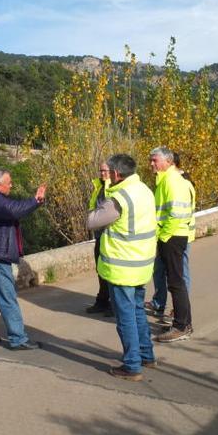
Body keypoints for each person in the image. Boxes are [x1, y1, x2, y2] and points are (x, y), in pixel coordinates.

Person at [87, 154, 157, 381]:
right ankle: (146, 355)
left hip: (122, 267)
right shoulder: (144, 189)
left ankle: (131, 365)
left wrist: (104, 189)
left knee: (126, 317)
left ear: (116, 174)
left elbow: (92, 221)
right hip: (142, 264)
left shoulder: (119, 198)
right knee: (137, 312)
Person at [0, 168, 46, 350]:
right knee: (7, 297)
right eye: (9, 183)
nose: (11, 185)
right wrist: (35, 200)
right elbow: (14, 210)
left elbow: (13, 208)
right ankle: (18, 338)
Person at [148, 147, 194, 343]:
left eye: (155, 160)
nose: (151, 164)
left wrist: (164, 237)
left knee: (176, 283)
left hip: (173, 237)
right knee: (176, 282)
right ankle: (183, 322)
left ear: (168, 161)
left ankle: (181, 326)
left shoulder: (172, 181)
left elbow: (177, 213)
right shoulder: (166, 180)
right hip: (172, 236)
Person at [84, 161, 113, 317]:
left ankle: (112, 305)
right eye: (101, 170)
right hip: (99, 234)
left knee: (109, 271)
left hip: (109, 235)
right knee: (100, 270)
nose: (102, 173)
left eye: (105, 171)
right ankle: (102, 301)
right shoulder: (99, 187)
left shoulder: (112, 187)